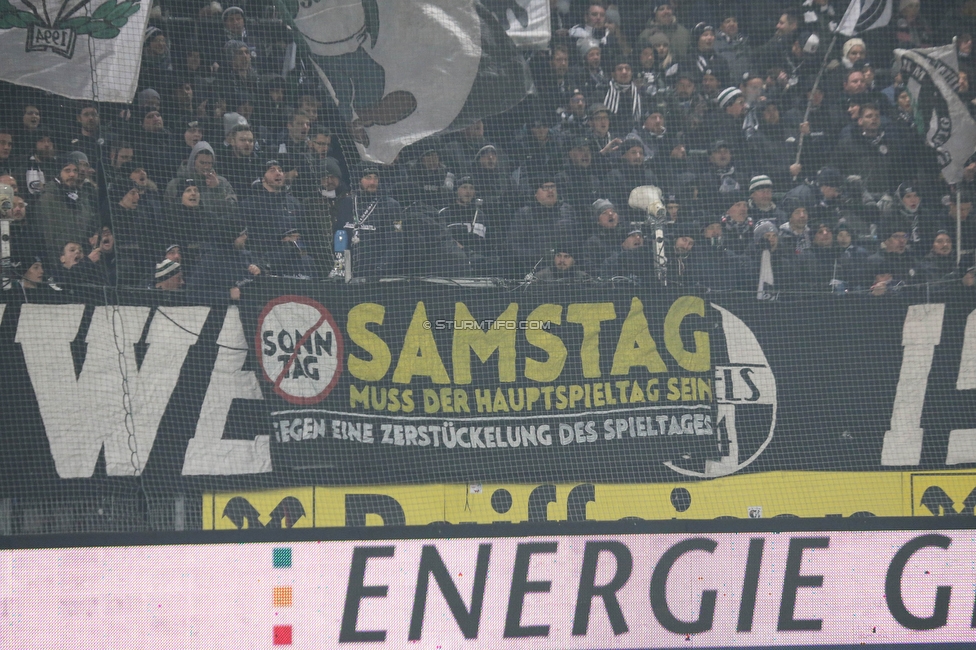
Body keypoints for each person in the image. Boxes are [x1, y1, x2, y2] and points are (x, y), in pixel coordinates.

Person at [335, 165, 404, 278]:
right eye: (368, 177)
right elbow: (338, 236)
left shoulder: (391, 205)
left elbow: (396, 243)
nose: (372, 182)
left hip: (375, 274)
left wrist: (379, 270)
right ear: (359, 180)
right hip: (346, 272)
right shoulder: (346, 203)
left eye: (375, 178)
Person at [34, 157, 98, 260]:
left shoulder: (82, 197)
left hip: (81, 257)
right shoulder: (48, 197)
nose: (72, 174)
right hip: (59, 259)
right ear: (58, 173)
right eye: (67, 170)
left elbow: (89, 224)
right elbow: (48, 235)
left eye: (75, 171)